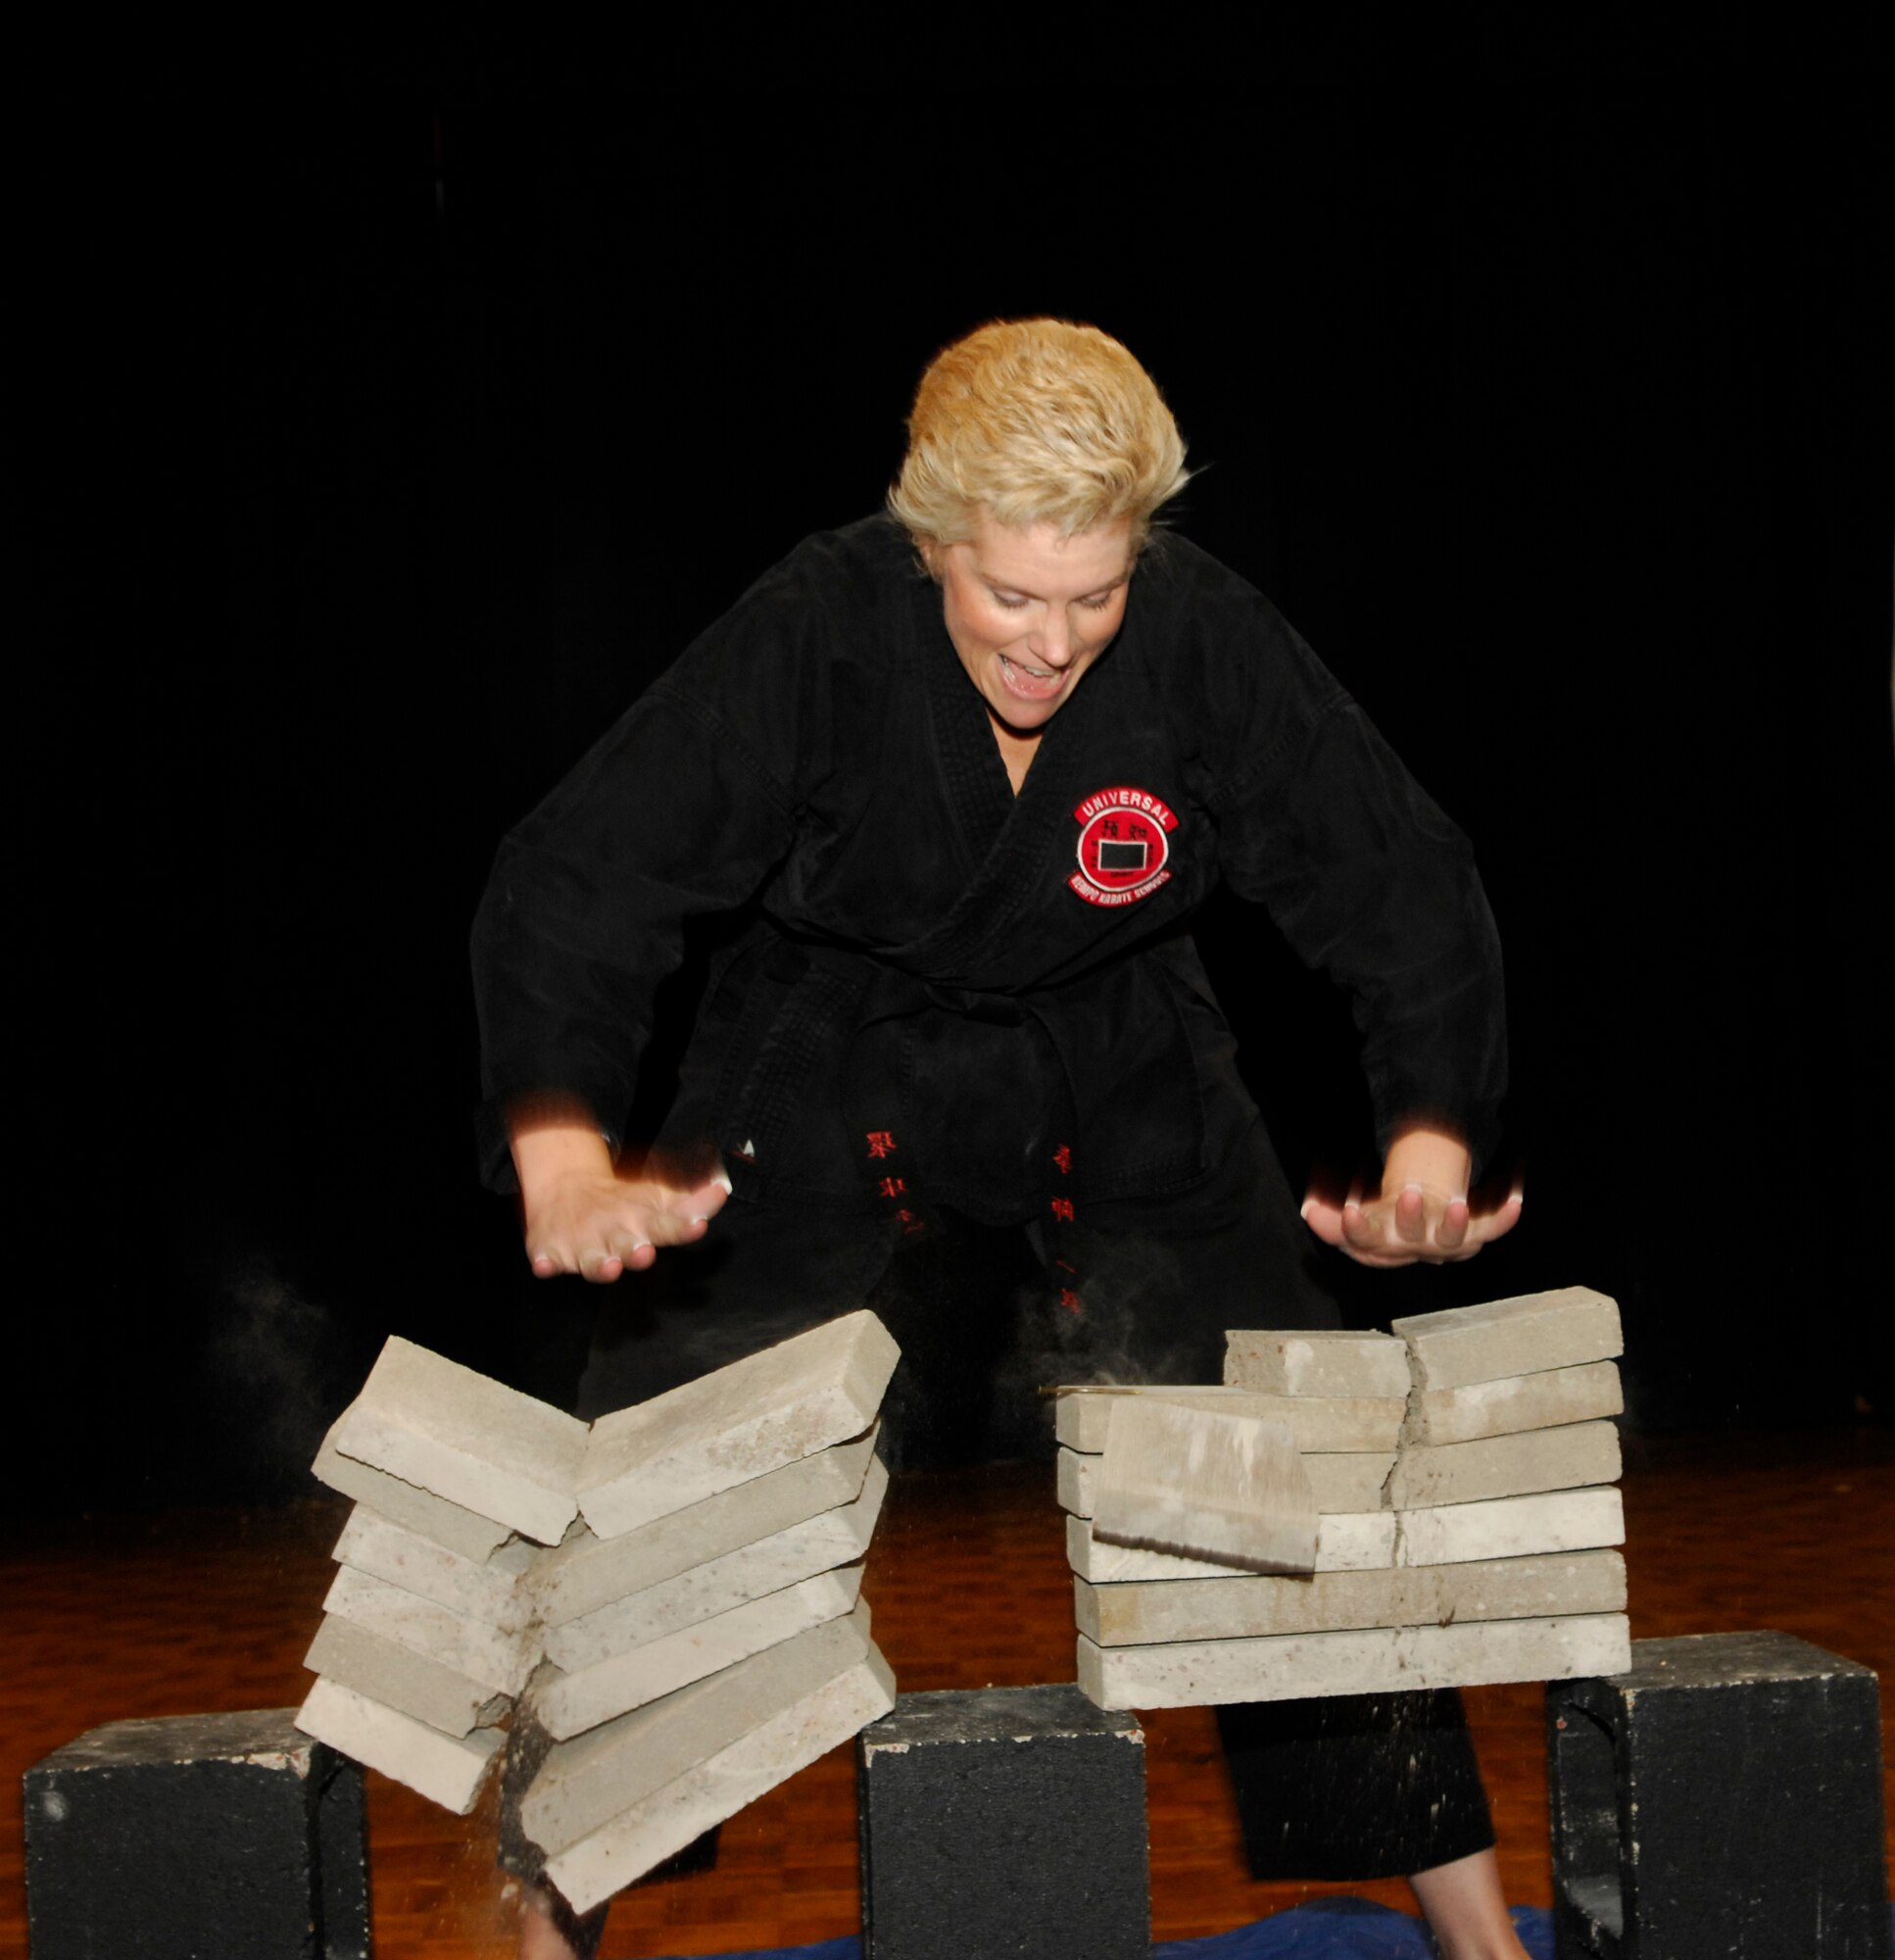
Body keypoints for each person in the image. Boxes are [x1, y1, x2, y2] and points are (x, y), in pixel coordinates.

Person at [473, 319, 1528, 1960]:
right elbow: (580, 879)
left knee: (1279, 1450)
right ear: (929, 544)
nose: (1052, 645)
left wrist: (1430, 1152)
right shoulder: (816, 628)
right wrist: (561, 1154)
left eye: (1092, 597)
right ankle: (547, 1944)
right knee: (681, 1492)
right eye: (1009, 599)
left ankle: (1474, 1938)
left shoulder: (1199, 633)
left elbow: (1396, 880)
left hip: (1115, 1049)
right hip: (827, 1047)